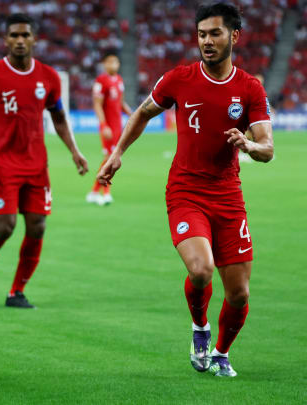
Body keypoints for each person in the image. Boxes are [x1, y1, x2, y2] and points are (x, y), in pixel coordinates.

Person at [96, 2, 273, 377]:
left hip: (228, 197)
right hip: (185, 192)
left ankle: (221, 353)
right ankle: (200, 327)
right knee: (201, 270)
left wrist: (249, 145)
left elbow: (267, 148)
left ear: (234, 36)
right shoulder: (179, 78)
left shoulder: (250, 88)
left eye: (215, 33)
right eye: (201, 34)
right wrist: (117, 153)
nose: (206, 41)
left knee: (239, 294)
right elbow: (143, 111)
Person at [0, 13, 89, 309]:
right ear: (5, 40)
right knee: (5, 227)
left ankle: (16, 292)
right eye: (14, 35)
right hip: (3, 165)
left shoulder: (48, 77)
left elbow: (59, 117)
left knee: (37, 227)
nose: (19, 41)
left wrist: (74, 150)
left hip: (37, 166)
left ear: (34, 39)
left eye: (25, 35)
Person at [87, 52, 132, 206]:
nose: (114, 65)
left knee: (110, 159)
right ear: (105, 64)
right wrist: (103, 125)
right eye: (110, 62)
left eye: (116, 62)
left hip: (118, 127)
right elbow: (97, 104)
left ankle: (93, 192)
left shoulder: (119, 80)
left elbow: (120, 102)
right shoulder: (101, 81)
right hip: (108, 128)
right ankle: (106, 193)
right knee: (110, 159)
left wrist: (132, 115)